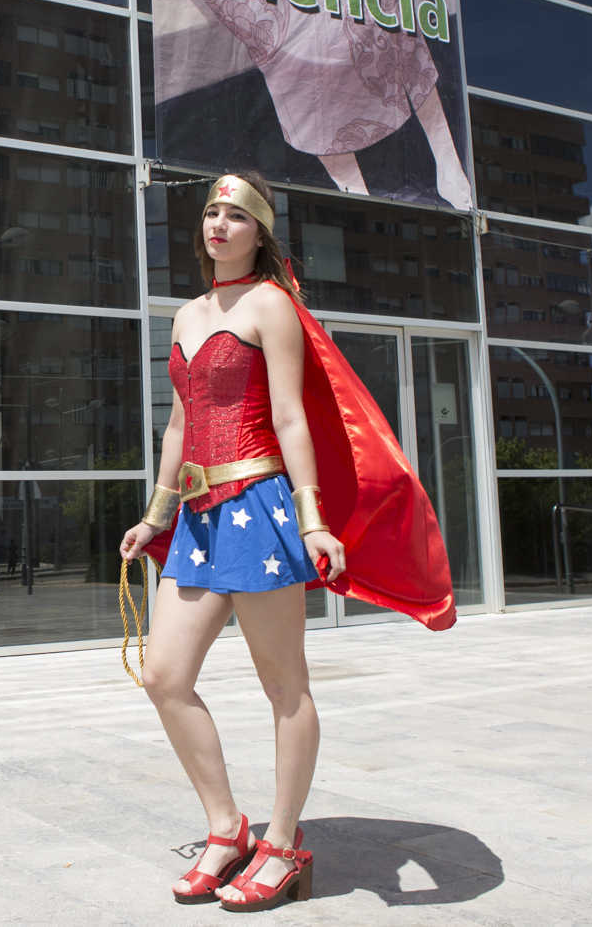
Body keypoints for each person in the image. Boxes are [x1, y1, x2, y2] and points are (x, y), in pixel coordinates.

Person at [119, 172, 455, 911]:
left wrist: (313, 519)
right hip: (198, 519)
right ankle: (224, 826)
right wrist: (155, 512)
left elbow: (293, 418)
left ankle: (283, 840)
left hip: (261, 507)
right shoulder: (184, 315)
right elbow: (177, 425)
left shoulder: (272, 305)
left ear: (260, 233)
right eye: (211, 210)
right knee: (163, 676)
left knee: (285, 686)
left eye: (236, 215)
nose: (219, 223)